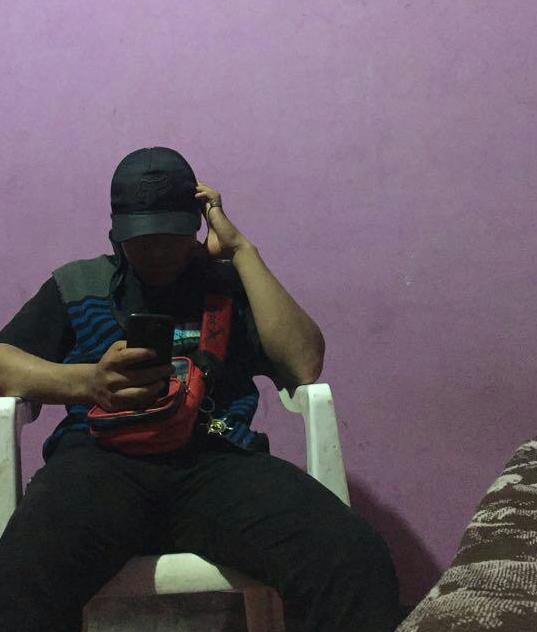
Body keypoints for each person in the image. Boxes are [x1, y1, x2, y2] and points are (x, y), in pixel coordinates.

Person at [0, 147, 402, 631]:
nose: (157, 252)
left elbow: (303, 364)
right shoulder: (79, 285)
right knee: (19, 575)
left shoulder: (229, 285)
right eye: (142, 239)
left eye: (171, 237)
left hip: (218, 459)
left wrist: (242, 251)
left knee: (351, 558)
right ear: (116, 232)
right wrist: (87, 382)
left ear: (195, 225)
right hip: (97, 464)